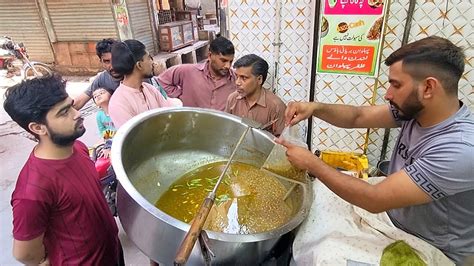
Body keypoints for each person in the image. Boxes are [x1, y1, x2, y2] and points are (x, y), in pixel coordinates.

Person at [276, 36, 474, 263]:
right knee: (317, 195)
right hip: (393, 214)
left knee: (326, 255)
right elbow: (358, 116)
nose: (388, 94)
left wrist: (312, 163)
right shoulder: (416, 111)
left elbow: (375, 199)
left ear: (428, 87)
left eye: (396, 85)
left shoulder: (461, 150)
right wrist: (315, 107)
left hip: (427, 243)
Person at [3, 74, 122, 265]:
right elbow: (25, 253)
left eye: (71, 105)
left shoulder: (79, 147)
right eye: (64, 112)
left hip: (112, 252)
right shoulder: (32, 190)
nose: (77, 113)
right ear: (37, 128)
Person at [73, 38, 168, 110]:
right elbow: (79, 102)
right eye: (106, 61)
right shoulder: (102, 80)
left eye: (115, 60)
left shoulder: (140, 75)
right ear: (101, 62)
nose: (112, 65)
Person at [108, 39, 182, 128]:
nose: (153, 62)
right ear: (139, 65)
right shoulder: (118, 103)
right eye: (149, 58)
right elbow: (134, 138)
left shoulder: (149, 89)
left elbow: (170, 112)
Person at [157, 36, 236, 111]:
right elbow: (160, 82)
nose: (228, 66)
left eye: (231, 61)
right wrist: (180, 95)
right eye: (223, 61)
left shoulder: (236, 79)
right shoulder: (188, 72)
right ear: (210, 56)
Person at [225, 54, 286, 136]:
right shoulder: (232, 99)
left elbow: (283, 143)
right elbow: (226, 131)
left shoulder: (276, 106)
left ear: (259, 79)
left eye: (244, 78)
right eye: (237, 76)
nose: (237, 82)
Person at [92, 87, 116, 158]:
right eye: (95, 96)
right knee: (96, 150)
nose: (98, 96)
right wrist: (106, 142)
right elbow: (102, 130)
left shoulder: (117, 110)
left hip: (120, 138)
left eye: (102, 93)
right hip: (109, 138)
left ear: (111, 95)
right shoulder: (99, 115)